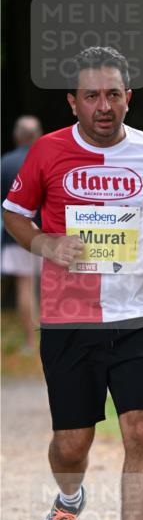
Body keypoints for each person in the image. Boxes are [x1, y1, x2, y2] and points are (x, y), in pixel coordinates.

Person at [2, 46, 143, 520]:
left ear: (129, 98)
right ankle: (68, 498)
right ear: (73, 102)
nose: (103, 106)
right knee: (71, 445)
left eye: (113, 95)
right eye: (91, 96)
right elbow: (14, 214)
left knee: (142, 434)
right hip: (68, 319)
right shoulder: (47, 152)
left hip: (136, 316)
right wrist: (44, 245)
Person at [1, 115, 43, 353]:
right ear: (37, 135)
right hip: (47, 234)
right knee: (48, 287)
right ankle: (51, 337)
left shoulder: (5, 163)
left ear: (16, 136)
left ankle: (31, 340)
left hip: (15, 236)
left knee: (25, 288)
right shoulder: (45, 158)